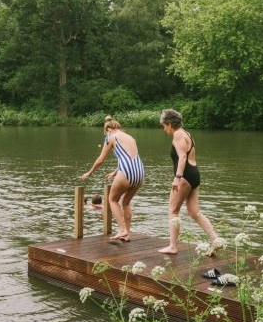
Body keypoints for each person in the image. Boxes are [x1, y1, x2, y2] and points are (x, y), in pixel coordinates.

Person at [158, 109, 224, 255]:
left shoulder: (178, 134)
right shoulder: (187, 134)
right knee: (194, 212)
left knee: (173, 210)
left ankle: (172, 246)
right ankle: (216, 239)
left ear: (169, 124)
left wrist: (177, 177)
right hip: (194, 175)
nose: (164, 129)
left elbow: (182, 157)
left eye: (164, 125)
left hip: (185, 176)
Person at [80, 116, 144, 241]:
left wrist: (90, 172)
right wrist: (115, 172)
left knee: (112, 199)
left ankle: (122, 230)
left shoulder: (110, 137)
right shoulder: (130, 137)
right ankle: (127, 234)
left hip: (126, 171)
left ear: (108, 129)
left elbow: (100, 160)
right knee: (125, 203)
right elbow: (130, 156)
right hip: (140, 172)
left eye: (105, 131)